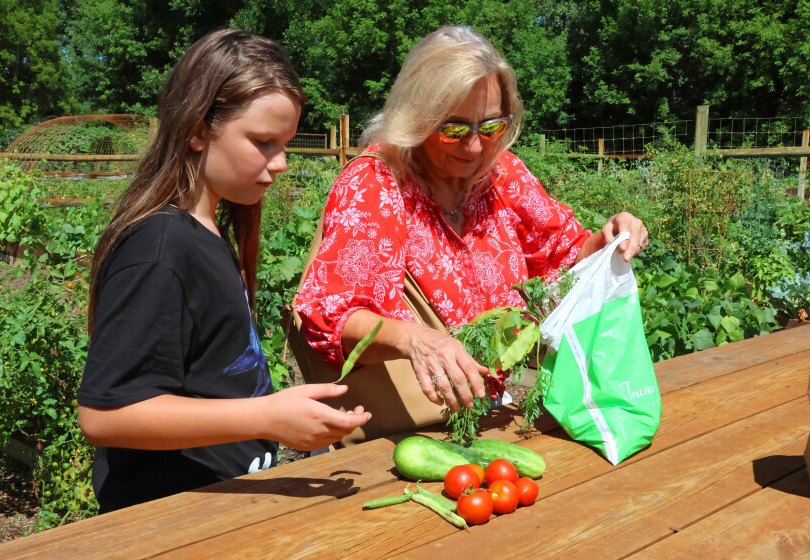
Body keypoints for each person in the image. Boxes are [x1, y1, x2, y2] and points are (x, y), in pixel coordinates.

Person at [77, 28, 371, 513]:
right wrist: (265, 418)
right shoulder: (159, 249)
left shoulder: (210, 231)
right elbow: (106, 414)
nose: (280, 164)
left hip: (224, 503)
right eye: (263, 142)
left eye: (286, 144)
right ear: (196, 129)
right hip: (172, 520)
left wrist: (284, 420)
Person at [295, 25, 649, 414]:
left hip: (505, 411)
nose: (476, 146)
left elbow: (562, 254)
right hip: (412, 427)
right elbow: (332, 314)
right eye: (455, 129)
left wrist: (611, 238)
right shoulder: (379, 183)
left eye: (492, 126)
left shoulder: (503, 174)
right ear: (418, 116)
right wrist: (416, 340)